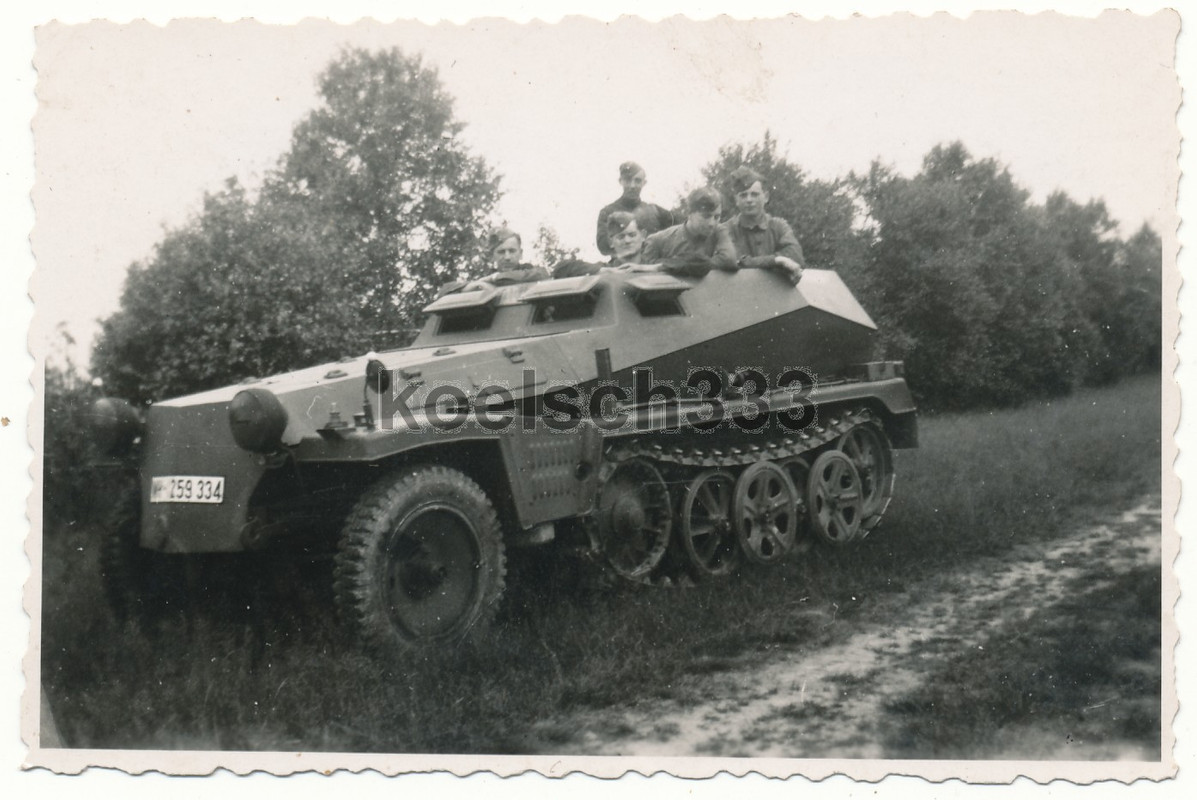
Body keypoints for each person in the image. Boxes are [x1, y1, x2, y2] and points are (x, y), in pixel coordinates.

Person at [722, 166, 805, 285]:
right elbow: (733, 261)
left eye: (754, 194)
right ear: (736, 200)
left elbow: (796, 257)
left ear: (766, 197)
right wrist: (776, 261)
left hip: (775, 295)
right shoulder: (726, 229)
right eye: (743, 195)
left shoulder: (779, 226)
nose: (749, 200)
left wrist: (753, 262)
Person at [638, 187, 736, 277]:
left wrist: (667, 265)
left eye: (717, 217)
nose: (711, 223)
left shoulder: (719, 231)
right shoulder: (658, 241)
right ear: (689, 213)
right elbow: (643, 275)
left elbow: (729, 260)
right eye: (706, 216)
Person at [595, 161, 674, 256]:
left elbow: (679, 231)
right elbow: (603, 247)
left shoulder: (656, 211)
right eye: (628, 180)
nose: (632, 186)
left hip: (652, 265)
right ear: (620, 181)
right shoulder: (607, 212)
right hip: (621, 266)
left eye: (637, 181)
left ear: (644, 183)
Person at [552, 211, 647, 278]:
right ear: (611, 242)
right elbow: (560, 269)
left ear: (643, 236)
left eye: (632, 235)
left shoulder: (654, 265)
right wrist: (602, 270)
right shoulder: (606, 268)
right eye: (620, 237)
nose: (627, 240)